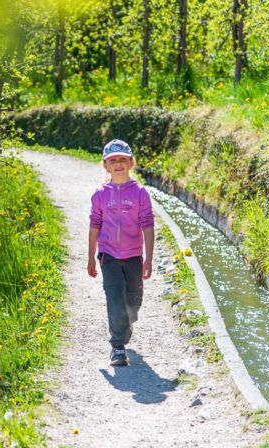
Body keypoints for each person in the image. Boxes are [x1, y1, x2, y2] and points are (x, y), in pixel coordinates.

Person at [87, 139, 155, 367]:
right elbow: (95, 224)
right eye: (113, 160)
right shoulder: (99, 195)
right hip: (108, 256)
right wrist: (91, 257)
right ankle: (117, 347)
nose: (118, 164)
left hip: (133, 255)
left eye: (123, 159)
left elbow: (147, 224)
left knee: (133, 303)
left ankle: (127, 323)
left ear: (130, 163)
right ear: (106, 165)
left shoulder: (140, 193)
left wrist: (149, 258)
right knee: (115, 298)